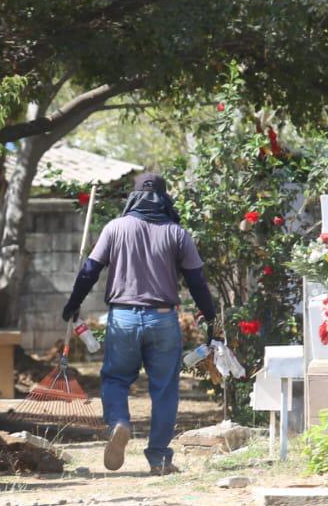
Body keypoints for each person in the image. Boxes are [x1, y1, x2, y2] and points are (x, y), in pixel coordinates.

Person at [62, 172, 217, 475]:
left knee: (116, 379)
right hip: (163, 320)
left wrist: (73, 304)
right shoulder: (177, 233)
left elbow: (89, 271)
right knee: (164, 389)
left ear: (133, 197)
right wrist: (210, 317)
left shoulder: (115, 228)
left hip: (123, 318)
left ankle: (119, 421)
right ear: (164, 198)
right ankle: (159, 458)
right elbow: (197, 281)